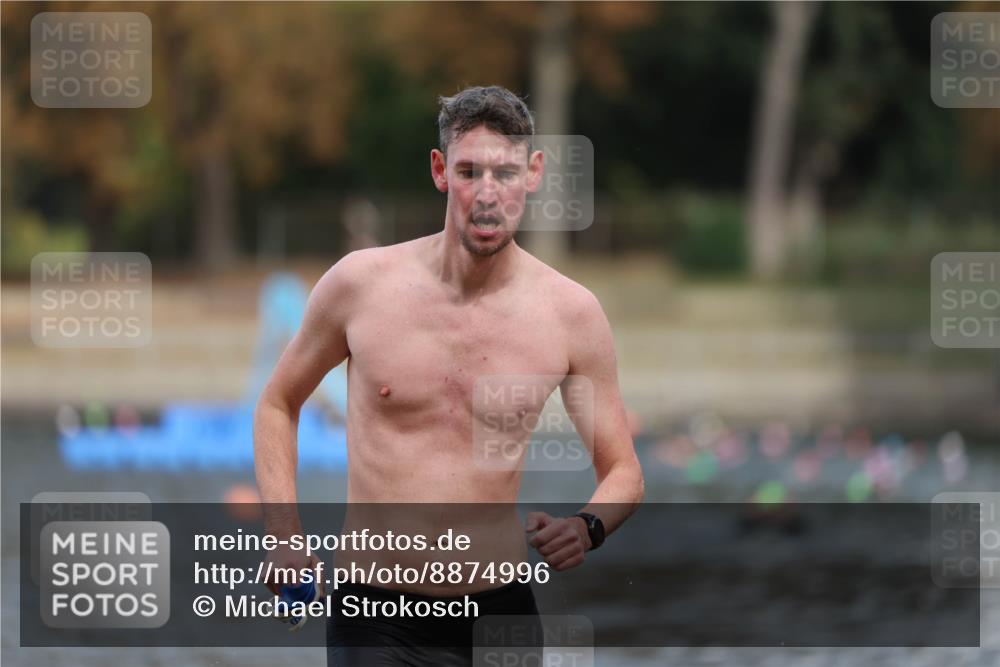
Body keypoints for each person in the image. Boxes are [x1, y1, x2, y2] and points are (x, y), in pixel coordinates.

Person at [253, 85, 644, 666]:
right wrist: (283, 534)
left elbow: (623, 472)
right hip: (374, 612)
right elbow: (278, 404)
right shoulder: (360, 285)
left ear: (534, 173)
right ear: (440, 171)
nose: (488, 195)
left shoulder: (570, 314)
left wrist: (587, 527)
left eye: (506, 173)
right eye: (470, 171)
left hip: (499, 614)